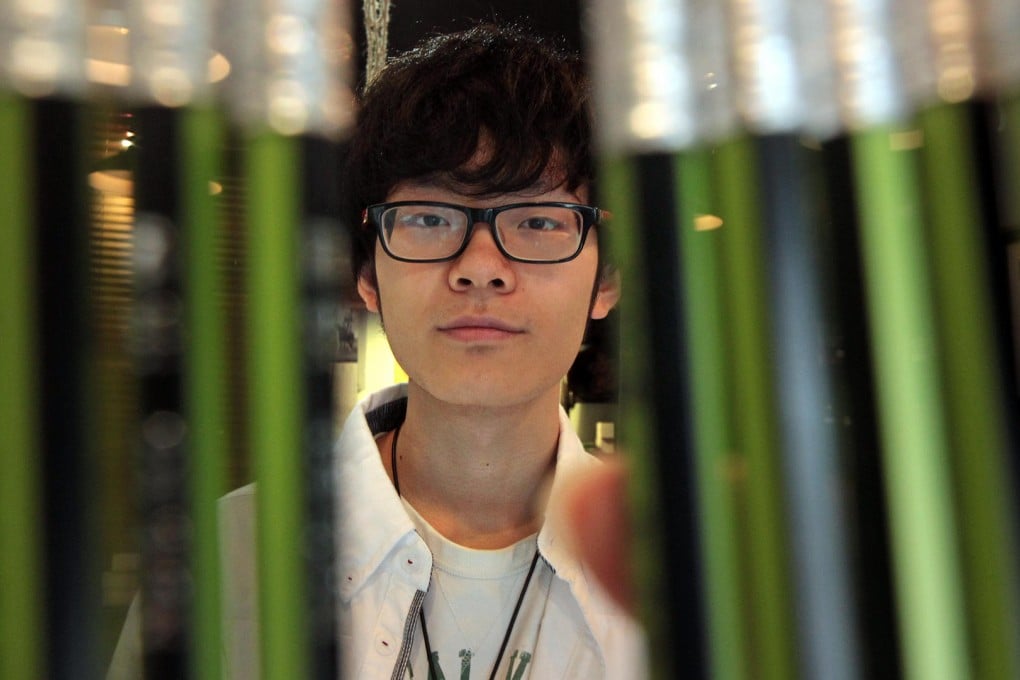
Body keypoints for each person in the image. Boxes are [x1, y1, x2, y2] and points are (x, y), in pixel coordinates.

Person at [110, 22, 645, 679]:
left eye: (537, 221)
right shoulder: (225, 557)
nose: (482, 267)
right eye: (428, 218)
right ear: (366, 275)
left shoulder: (682, 561)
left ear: (608, 279)